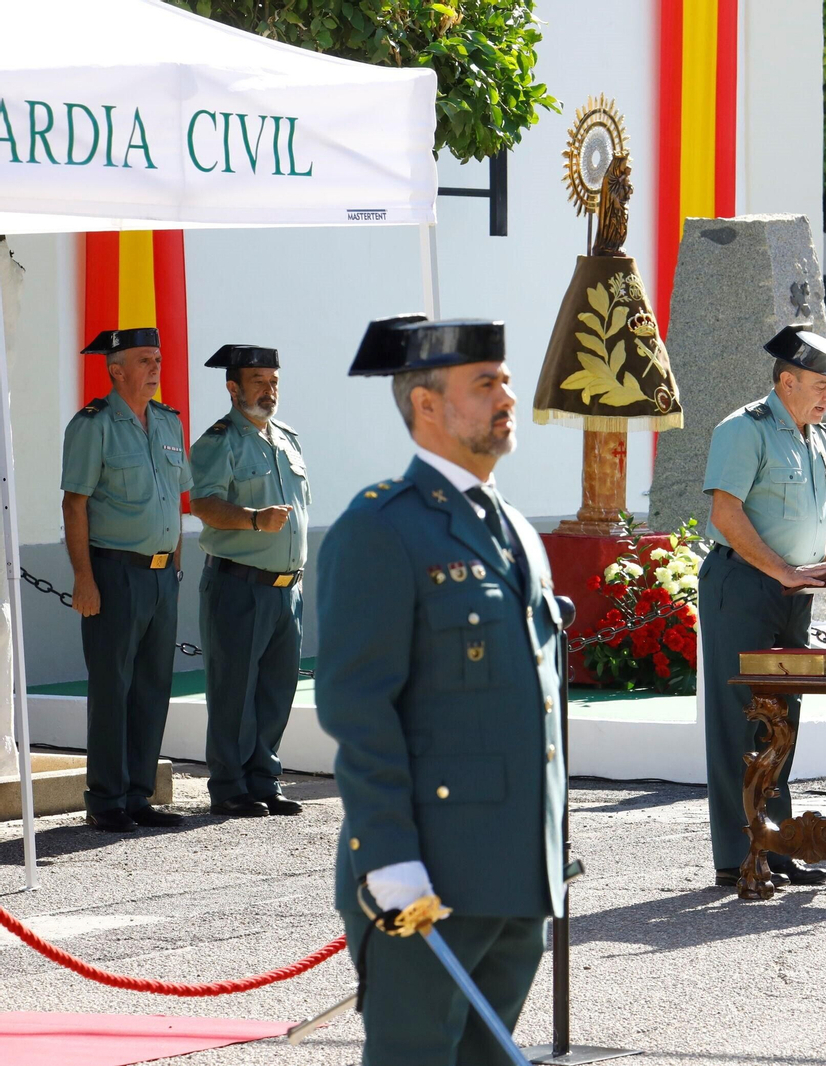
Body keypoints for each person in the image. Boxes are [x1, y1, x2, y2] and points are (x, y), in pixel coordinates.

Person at [316, 315, 567, 1065]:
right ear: (427, 405)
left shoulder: (515, 527)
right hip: (430, 872)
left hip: (516, 871)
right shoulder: (381, 529)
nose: (507, 396)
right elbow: (359, 709)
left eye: (506, 380)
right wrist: (387, 855)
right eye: (485, 383)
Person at [700, 324, 826, 888]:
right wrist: (784, 570)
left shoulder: (814, 437)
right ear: (786, 381)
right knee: (741, 724)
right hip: (744, 588)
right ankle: (739, 855)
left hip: (792, 593)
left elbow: (818, 517)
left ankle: (776, 844)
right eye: (819, 384)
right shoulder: (745, 430)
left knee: (782, 721)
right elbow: (726, 514)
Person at [61, 327, 190, 833]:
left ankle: (139, 795)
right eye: (144, 360)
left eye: (157, 358)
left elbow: (176, 500)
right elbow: (75, 504)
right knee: (112, 687)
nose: (156, 367)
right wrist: (83, 578)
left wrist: (174, 565)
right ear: (116, 370)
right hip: (113, 573)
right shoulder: (93, 426)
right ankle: (106, 799)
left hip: (161, 577)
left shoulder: (167, 423)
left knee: (153, 687)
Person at [190, 344, 310, 818]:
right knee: (234, 688)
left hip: (287, 588)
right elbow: (203, 503)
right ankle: (229, 785)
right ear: (233, 387)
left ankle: (265, 778)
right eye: (259, 380)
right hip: (240, 584)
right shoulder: (220, 442)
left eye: (274, 379)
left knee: (276, 688)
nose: (269, 389)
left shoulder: (287, 439)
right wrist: (255, 520)